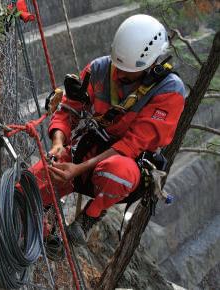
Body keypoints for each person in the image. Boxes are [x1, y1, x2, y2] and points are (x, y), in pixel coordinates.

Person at [30, 14, 186, 249]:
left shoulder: (169, 92)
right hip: (86, 150)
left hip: (123, 166)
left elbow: (131, 145)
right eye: (118, 66)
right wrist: (58, 142)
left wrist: (78, 169)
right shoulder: (100, 69)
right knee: (30, 184)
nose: (120, 75)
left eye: (128, 71)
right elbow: (69, 110)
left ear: (152, 63)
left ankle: (89, 217)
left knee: (117, 172)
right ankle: (39, 223)